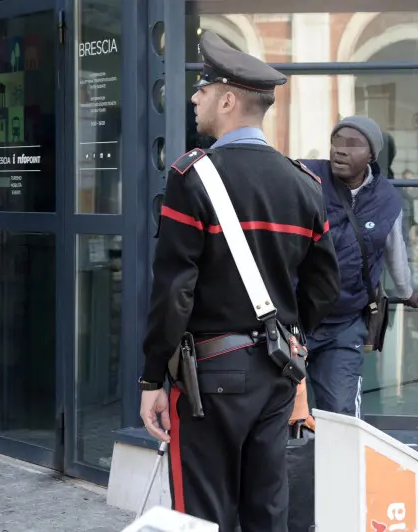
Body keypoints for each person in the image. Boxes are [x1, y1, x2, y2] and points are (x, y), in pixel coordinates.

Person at [138, 31, 340, 531]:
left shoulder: (192, 176)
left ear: (227, 100)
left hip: (211, 373)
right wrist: (291, 334)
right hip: (277, 371)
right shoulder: (305, 185)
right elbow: (324, 285)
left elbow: (173, 291)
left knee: (202, 514)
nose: (194, 97)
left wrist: (150, 378)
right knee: (266, 509)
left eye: (202, 90)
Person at [300, 117, 418, 418]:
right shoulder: (306, 177)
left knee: (342, 413)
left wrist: (406, 292)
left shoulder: (386, 198)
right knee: (279, 413)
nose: (340, 151)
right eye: (337, 142)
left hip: (344, 323)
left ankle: (340, 466)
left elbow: (395, 248)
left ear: (371, 155)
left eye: (352, 144)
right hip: (295, 320)